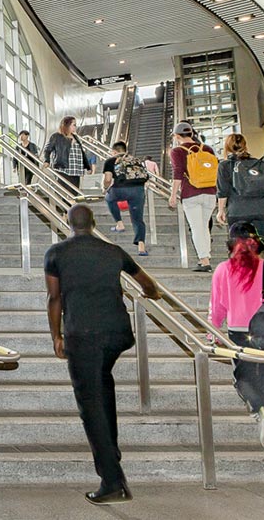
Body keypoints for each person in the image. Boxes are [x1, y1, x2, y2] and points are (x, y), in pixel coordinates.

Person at [44, 204, 159, 506]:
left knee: (90, 404)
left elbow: (54, 298)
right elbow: (147, 284)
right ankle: (112, 451)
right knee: (102, 387)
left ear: (68, 224)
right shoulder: (113, 251)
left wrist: (56, 336)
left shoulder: (56, 254)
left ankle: (112, 481)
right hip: (117, 333)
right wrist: (153, 294)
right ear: (94, 223)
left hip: (82, 335)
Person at [209, 221, 264, 455]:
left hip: (240, 333)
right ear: (256, 243)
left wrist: (212, 334)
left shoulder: (223, 270)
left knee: (244, 379)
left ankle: (261, 411)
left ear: (231, 244)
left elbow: (217, 309)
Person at [216, 133, 264, 244]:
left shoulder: (225, 165)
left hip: (238, 211)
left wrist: (221, 210)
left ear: (226, 147)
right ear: (245, 146)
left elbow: (223, 191)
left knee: (240, 249)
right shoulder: (260, 163)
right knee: (257, 247)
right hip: (263, 211)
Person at [168, 122, 217, 272]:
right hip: (210, 192)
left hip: (191, 193)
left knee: (197, 228)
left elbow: (178, 173)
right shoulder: (207, 149)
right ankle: (205, 257)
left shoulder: (177, 151)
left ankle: (204, 260)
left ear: (177, 136)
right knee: (204, 227)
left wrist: (173, 195)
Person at [101, 141, 148, 256]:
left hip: (120, 189)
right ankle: (141, 247)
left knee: (109, 198)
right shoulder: (135, 160)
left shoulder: (110, 161)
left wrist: (105, 188)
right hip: (138, 190)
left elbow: (107, 179)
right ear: (125, 150)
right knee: (138, 219)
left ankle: (120, 223)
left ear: (114, 151)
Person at [42, 116, 92, 188]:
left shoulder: (75, 137)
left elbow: (81, 153)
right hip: (63, 169)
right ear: (67, 125)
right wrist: (47, 160)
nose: (75, 127)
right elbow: (47, 149)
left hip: (76, 170)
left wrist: (87, 167)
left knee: (74, 193)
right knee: (65, 192)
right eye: (74, 125)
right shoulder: (56, 136)